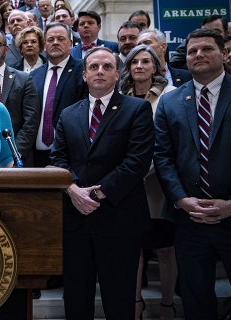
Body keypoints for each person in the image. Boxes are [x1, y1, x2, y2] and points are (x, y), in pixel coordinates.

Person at [154, 28, 231, 320]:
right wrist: (182, 200)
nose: (199, 55)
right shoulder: (171, 102)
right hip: (191, 220)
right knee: (196, 300)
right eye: (193, 51)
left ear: (223, 54)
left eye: (207, 49)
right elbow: (164, 157)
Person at [50, 46, 153, 319]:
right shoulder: (69, 114)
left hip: (119, 216)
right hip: (75, 218)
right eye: (94, 67)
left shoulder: (137, 109)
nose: (100, 72)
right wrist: (72, 190)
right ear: (83, 75)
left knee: (119, 299)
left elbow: (137, 161)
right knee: (76, 297)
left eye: (107, 67)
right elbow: (57, 158)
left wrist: (96, 195)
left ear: (117, 74)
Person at [120, 44, 177, 320]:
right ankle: (135, 303)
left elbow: (170, 139)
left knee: (164, 247)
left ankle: (168, 304)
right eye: (134, 62)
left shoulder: (170, 95)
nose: (140, 66)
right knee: (134, 247)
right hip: (129, 181)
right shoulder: (119, 95)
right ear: (128, 68)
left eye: (146, 61)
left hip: (158, 181)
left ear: (155, 66)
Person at [0, 30, 39, 166]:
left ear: (6, 49)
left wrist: (13, 155)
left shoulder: (24, 79)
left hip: (19, 158)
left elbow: (31, 121)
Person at [30, 23, 85, 167]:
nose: (55, 43)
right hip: (37, 155)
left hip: (71, 154)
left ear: (70, 44)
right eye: (50, 39)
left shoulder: (83, 71)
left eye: (60, 39)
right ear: (44, 45)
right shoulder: (34, 76)